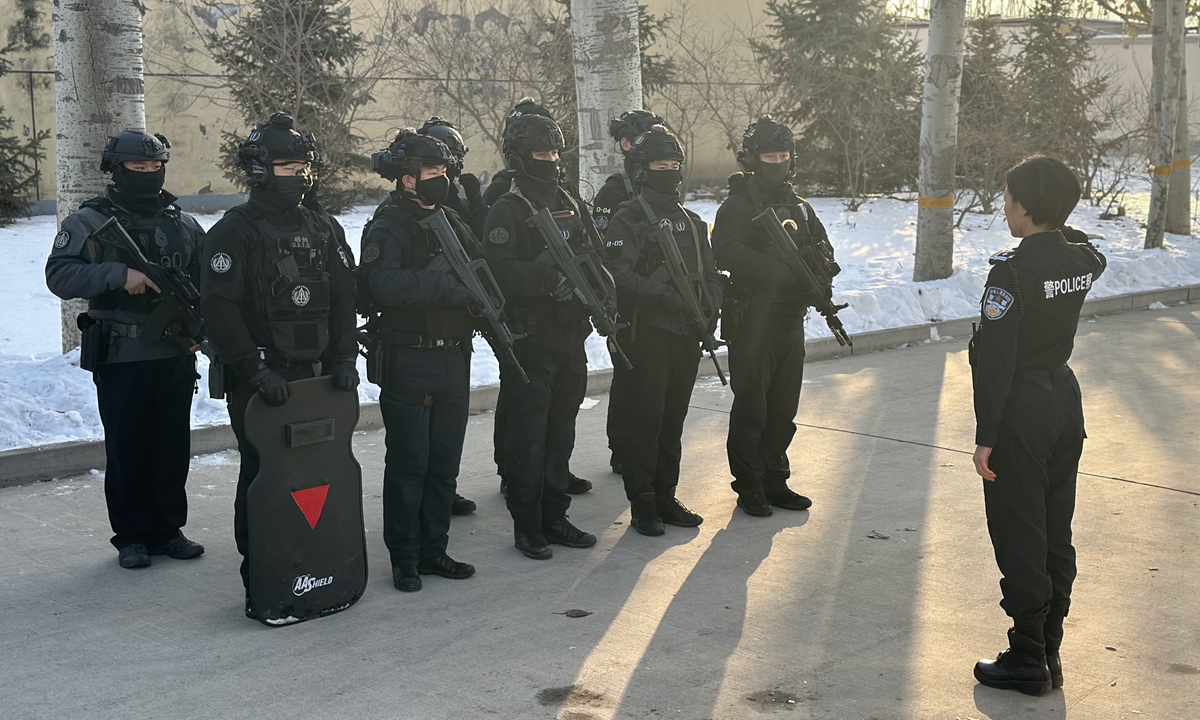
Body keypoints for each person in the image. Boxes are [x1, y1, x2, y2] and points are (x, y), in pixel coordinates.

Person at [198, 113, 359, 612]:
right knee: (264, 477)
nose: (300, 175)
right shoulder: (234, 232)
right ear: (261, 170)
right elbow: (219, 311)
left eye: (304, 166)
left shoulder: (323, 227)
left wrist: (345, 356)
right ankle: (263, 575)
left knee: (320, 476)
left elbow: (342, 298)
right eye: (288, 165)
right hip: (262, 382)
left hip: (317, 380)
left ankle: (318, 566)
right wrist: (254, 369)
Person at [970, 156, 1106, 696]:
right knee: (1055, 527)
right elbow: (1087, 247)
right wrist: (1056, 220)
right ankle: (1050, 646)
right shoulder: (1082, 261)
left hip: (1021, 408)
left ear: (1025, 207)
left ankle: (1027, 656)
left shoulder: (1011, 272)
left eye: (1009, 199)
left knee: (1019, 530)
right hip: (1064, 403)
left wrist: (987, 437)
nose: (1004, 208)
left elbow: (996, 360)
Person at [45, 130, 206, 570]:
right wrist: (118, 275)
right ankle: (132, 536)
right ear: (116, 171)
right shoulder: (90, 221)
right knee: (127, 448)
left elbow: (209, 281)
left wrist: (201, 328)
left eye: (156, 168)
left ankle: (168, 530)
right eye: (138, 168)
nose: (149, 175)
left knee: (171, 447)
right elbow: (60, 275)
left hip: (174, 354)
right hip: (123, 356)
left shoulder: (182, 222)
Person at [357, 131, 477, 592]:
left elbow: (479, 267)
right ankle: (404, 557)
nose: (441, 181)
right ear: (407, 180)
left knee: (444, 464)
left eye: (444, 173)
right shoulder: (389, 226)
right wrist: (445, 288)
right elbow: (383, 285)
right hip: (409, 358)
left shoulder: (451, 222)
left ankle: (435, 549)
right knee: (410, 466)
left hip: (453, 359)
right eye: (433, 174)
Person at [483, 113, 604, 560]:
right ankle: (528, 525)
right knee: (528, 436)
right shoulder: (507, 209)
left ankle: (556, 515)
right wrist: (544, 276)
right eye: (540, 154)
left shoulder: (571, 201)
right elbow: (496, 271)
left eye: (555, 153)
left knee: (561, 434)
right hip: (531, 340)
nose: (551, 161)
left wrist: (598, 294)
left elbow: (591, 251)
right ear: (519, 157)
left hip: (571, 335)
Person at [712, 116, 836, 517]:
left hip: (788, 320)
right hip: (752, 321)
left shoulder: (799, 207)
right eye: (770, 155)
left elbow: (822, 247)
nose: (777, 162)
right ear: (753, 158)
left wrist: (820, 275)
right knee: (753, 408)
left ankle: (775, 480)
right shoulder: (736, 205)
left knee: (783, 409)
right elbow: (725, 250)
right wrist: (777, 271)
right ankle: (749, 485)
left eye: (784, 155)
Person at [603, 126, 721, 536]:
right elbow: (618, 273)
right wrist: (664, 295)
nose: (669, 173)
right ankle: (644, 504)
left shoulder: (691, 221)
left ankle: (666, 495)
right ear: (641, 169)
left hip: (686, 334)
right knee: (646, 421)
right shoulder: (628, 218)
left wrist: (710, 308)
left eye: (674, 166)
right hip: (647, 333)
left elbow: (710, 274)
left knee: (673, 420)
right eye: (659, 165)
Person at [594, 109, 668, 479]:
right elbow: (606, 252)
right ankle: (621, 448)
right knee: (628, 376)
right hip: (625, 299)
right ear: (626, 145)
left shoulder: (661, 185)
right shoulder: (614, 190)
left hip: (656, 302)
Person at [419, 117, 487, 237]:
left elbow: (481, 240)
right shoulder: (408, 208)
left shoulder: (460, 205)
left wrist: (477, 203)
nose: (448, 166)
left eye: (453, 159)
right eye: (437, 164)